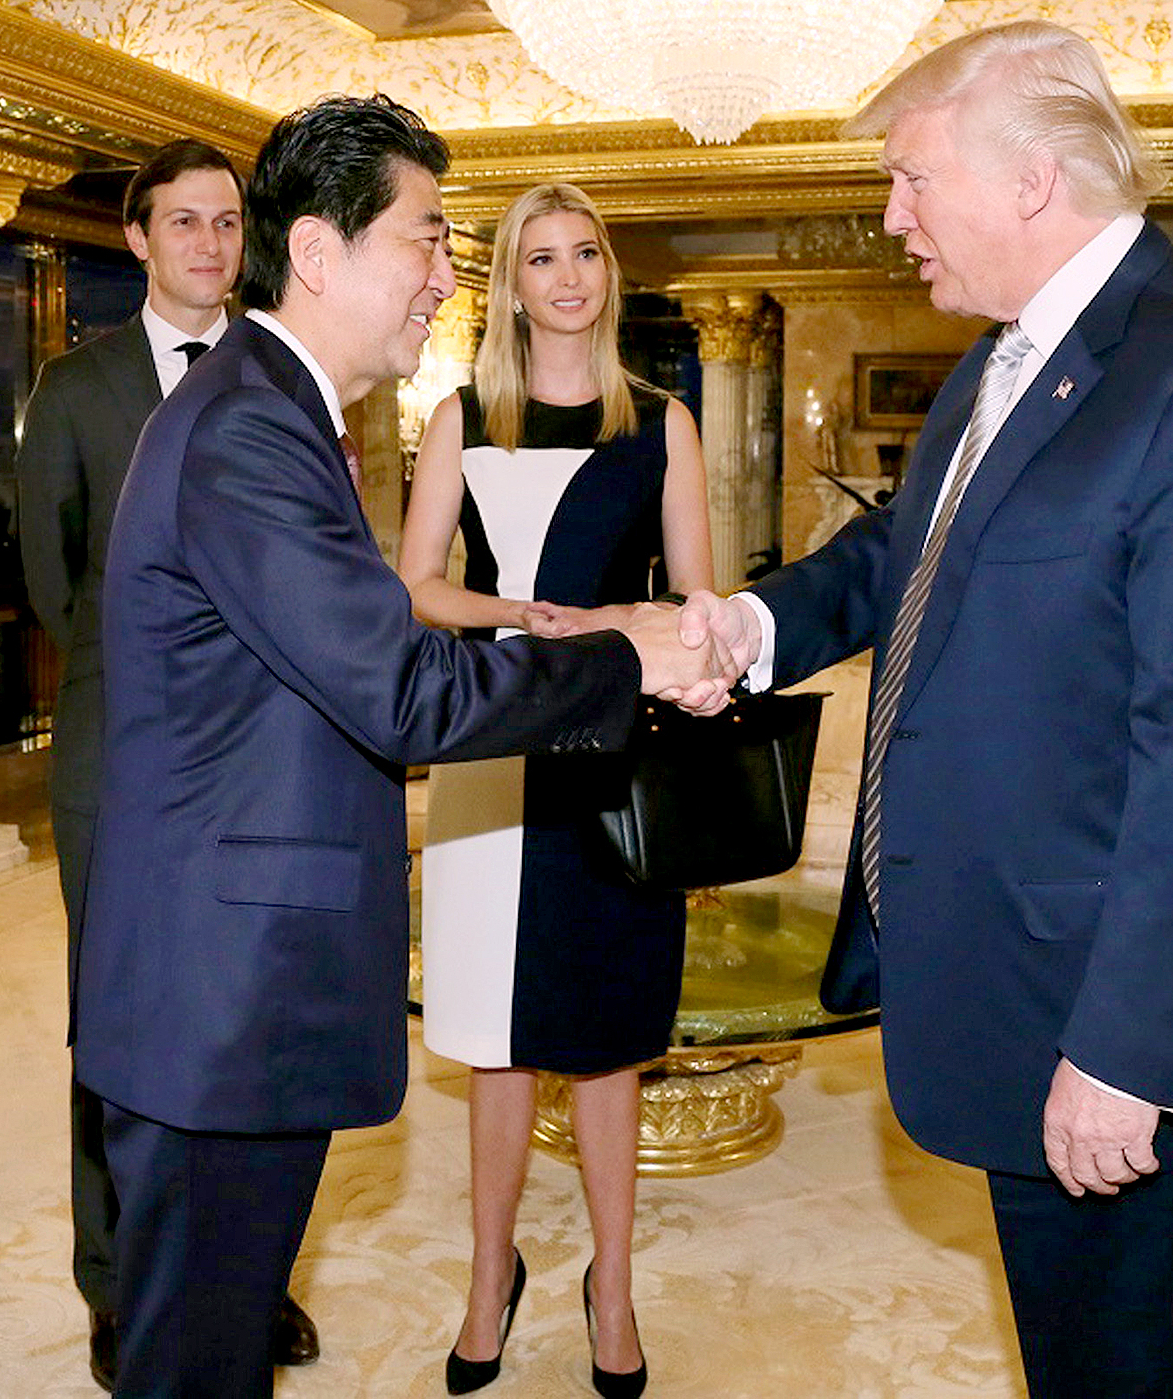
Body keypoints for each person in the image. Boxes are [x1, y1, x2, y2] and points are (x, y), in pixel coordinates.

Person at [678, 22, 1173, 1398]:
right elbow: (899, 555)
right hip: (1012, 978)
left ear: (1034, 177)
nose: (889, 215)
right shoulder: (1000, 360)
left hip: (1104, 1015)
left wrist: (1126, 1051)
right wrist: (751, 626)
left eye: (913, 178)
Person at [72, 95, 730, 1398]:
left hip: (242, 996)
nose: (446, 274)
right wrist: (630, 654)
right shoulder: (251, 426)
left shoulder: (274, 410)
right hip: (216, 1008)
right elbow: (405, 688)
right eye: (427, 238)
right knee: (193, 1364)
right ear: (320, 252)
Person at [14, 137, 319, 1391]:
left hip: (261, 768)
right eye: (182, 222)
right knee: (120, 1029)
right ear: (136, 239)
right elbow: (53, 582)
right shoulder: (75, 388)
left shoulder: (289, 382)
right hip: (123, 767)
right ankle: (117, 1282)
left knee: (247, 1025)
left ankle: (245, 1277)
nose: (209, 243)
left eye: (227, 222)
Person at [399, 182, 713, 1399]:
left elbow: (698, 600)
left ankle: (614, 1286)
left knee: (609, 1042)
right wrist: (518, 615)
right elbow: (420, 584)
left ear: (608, 274)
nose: (568, 275)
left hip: (613, 750)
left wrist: (632, 622)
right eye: (541, 257)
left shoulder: (664, 423)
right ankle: (490, 1278)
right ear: (511, 284)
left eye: (586, 252)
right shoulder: (459, 415)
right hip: (492, 742)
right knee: (494, 1041)